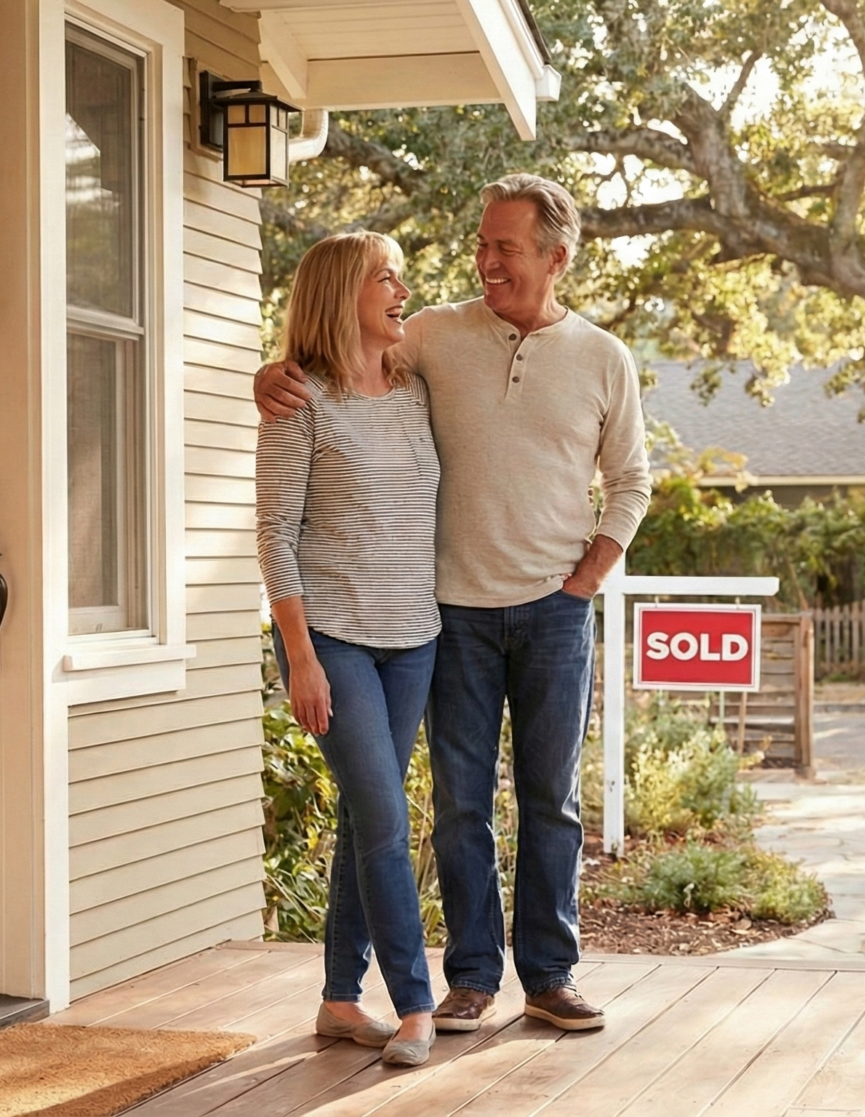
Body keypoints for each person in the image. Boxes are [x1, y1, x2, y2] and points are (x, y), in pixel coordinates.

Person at [256, 174, 652, 1033]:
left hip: (554, 612)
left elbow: (632, 483)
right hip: (451, 615)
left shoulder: (602, 358)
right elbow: (332, 359)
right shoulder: (433, 335)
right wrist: (269, 374)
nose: (486, 261)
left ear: (556, 257)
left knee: (552, 800)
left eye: (505, 248)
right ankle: (470, 976)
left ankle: (550, 973)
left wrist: (587, 575)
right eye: (482, 244)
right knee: (458, 804)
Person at [254, 231, 440, 1067]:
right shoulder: (300, 403)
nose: (402, 290)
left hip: (417, 637)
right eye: (384, 278)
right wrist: (300, 656)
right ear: (342, 296)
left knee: (369, 818)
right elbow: (274, 535)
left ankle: (337, 996)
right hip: (335, 641)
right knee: (388, 821)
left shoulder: (413, 385)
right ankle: (413, 1003)